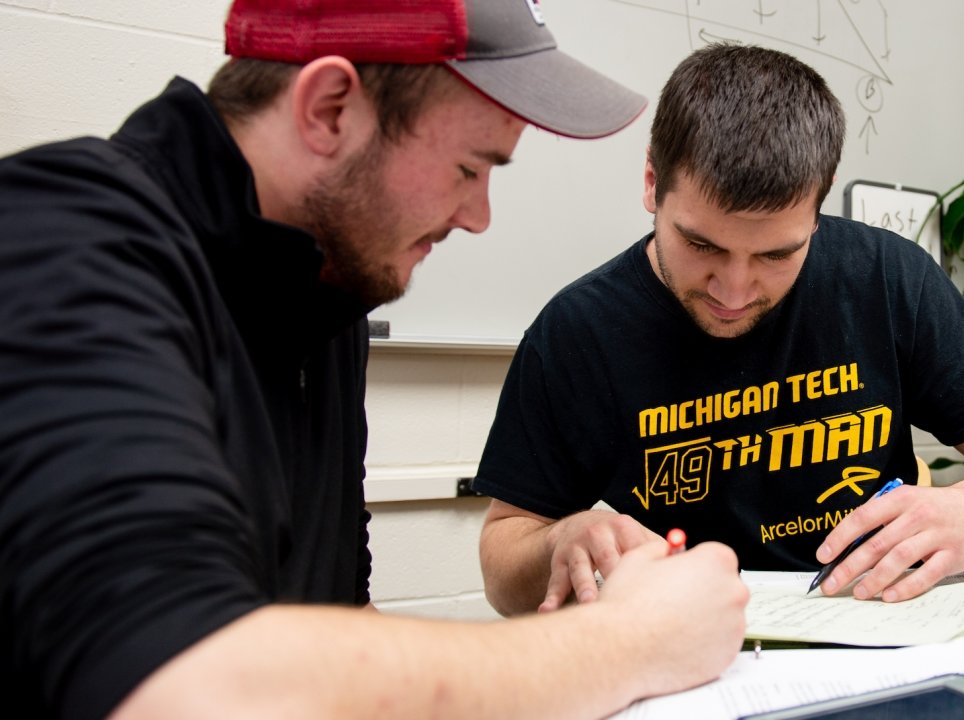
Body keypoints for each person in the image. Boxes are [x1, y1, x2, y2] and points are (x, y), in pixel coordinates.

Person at [0, 1, 749, 718]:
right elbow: (177, 682)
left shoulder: (325, 289)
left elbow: (337, 615)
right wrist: (627, 642)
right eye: (468, 167)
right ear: (329, 107)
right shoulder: (63, 239)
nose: (478, 216)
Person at [474, 43, 964, 615]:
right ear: (652, 184)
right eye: (701, 244)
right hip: (684, 646)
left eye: (775, 255)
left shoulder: (886, 278)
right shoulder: (579, 330)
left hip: (874, 623)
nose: (733, 292)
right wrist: (561, 541)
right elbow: (504, 560)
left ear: (817, 211)